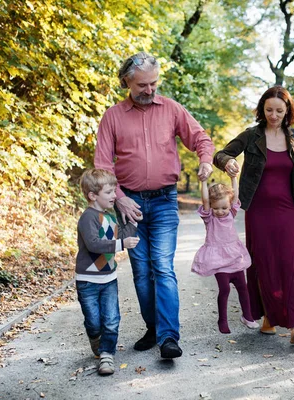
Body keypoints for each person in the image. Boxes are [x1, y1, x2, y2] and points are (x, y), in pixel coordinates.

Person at [94, 52, 215, 359]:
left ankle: (168, 337)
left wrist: (205, 160)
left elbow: (201, 138)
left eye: (153, 84)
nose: (149, 90)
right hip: (128, 205)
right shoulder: (112, 117)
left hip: (164, 200)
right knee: (140, 272)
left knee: (162, 268)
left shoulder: (172, 109)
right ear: (126, 83)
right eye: (142, 85)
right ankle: (153, 327)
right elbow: (102, 166)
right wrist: (119, 198)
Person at [213, 86, 294, 344]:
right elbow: (221, 154)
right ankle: (268, 320)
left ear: (288, 112)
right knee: (262, 263)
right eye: (269, 110)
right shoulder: (252, 136)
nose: (274, 115)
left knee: (291, 263)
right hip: (258, 210)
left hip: (287, 209)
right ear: (262, 109)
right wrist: (228, 162)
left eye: (279, 111)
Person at [75, 169, 140, 375]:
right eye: (109, 192)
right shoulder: (88, 218)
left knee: (111, 319)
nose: (114, 196)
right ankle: (95, 337)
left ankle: (107, 355)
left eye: (114, 191)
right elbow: (94, 244)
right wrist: (122, 243)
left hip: (109, 278)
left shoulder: (111, 216)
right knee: (93, 321)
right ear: (93, 196)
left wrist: (133, 222)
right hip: (87, 280)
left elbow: (121, 234)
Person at [191, 176, 260, 334]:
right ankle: (222, 320)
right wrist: (202, 181)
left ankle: (247, 317)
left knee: (243, 287)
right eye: (216, 208)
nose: (220, 212)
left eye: (224, 208)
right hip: (219, 262)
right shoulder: (210, 218)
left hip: (235, 259)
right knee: (225, 289)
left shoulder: (231, 213)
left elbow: (235, 196)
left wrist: (234, 177)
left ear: (229, 207)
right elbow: (205, 200)